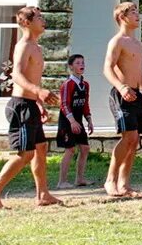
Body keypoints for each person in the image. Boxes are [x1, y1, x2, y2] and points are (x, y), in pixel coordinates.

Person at [0, 6, 62, 209]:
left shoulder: (36, 47)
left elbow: (31, 76)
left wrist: (37, 101)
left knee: (41, 148)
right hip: (20, 106)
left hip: (30, 104)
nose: (43, 20)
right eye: (39, 17)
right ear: (26, 22)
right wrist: (38, 91)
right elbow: (16, 75)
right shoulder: (24, 45)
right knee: (26, 154)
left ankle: (43, 194)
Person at [103, 1, 142, 197]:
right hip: (121, 94)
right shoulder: (117, 41)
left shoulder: (138, 44)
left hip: (136, 95)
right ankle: (110, 180)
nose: (138, 15)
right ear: (122, 17)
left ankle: (124, 184)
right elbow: (107, 68)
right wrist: (121, 88)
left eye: (138, 11)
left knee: (134, 140)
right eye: (133, 12)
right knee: (128, 137)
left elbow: (140, 73)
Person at [56, 53, 94, 189]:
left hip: (79, 121)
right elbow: (64, 104)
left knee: (85, 148)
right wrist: (72, 122)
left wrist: (89, 120)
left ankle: (80, 179)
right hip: (67, 122)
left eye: (82, 62)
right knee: (70, 150)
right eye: (77, 63)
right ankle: (62, 181)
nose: (81, 65)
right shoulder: (68, 84)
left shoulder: (85, 85)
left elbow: (85, 104)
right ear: (71, 67)